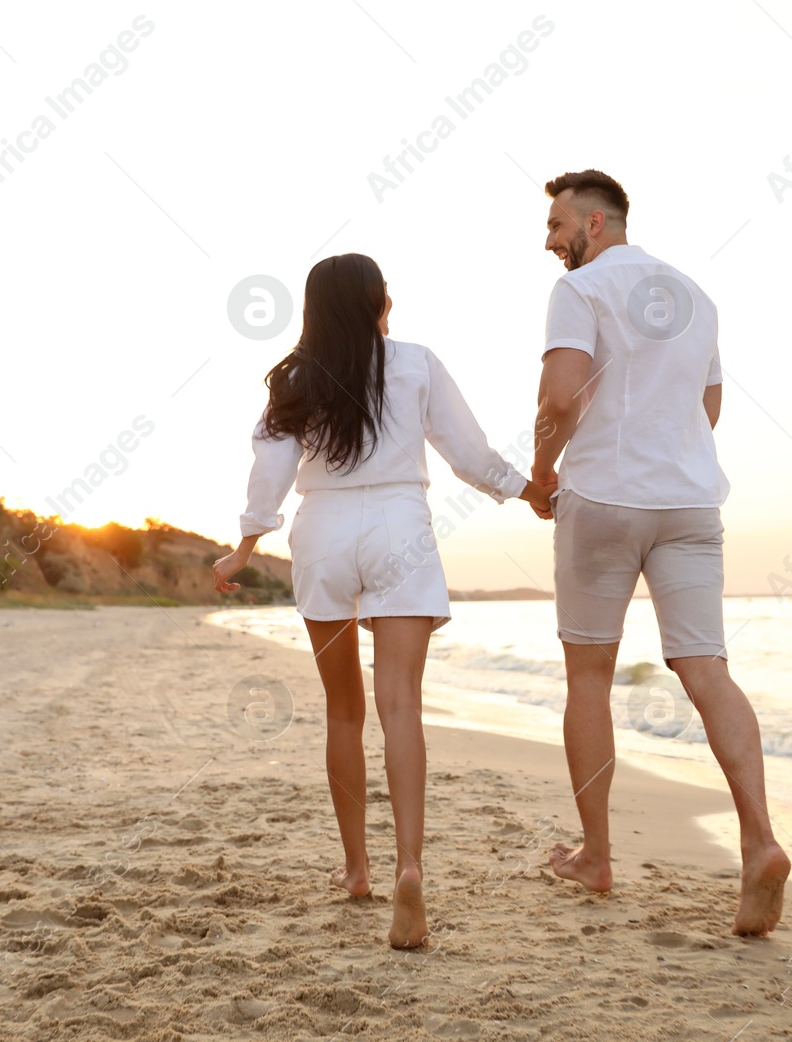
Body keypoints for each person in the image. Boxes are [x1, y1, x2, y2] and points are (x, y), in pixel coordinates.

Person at [212, 253, 554, 948]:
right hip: (400, 523)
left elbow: (270, 470)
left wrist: (244, 548)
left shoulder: (296, 378)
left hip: (323, 533)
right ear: (377, 303)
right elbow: (467, 451)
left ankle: (357, 867)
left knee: (344, 709)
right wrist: (526, 490)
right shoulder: (416, 361)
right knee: (401, 704)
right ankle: (410, 865)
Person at [529, 170, 791, 936]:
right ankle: (759, 841)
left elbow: (559, 397)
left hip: (605, 496)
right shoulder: (695, 296)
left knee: (588, 673)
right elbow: (707, 405)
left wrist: (544, 473)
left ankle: (597, 855)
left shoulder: (579, 292)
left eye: (557, 224)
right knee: (707, 667)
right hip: (689, 499)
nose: (549, 240)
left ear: (597, 224)